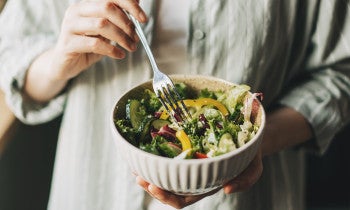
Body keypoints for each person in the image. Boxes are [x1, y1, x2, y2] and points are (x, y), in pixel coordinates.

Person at [1, 0, 350, 209]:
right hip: (94, 189)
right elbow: (12, 61)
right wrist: (60, 60)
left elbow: (340, 74)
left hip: (247, 198)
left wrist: (256, 141)